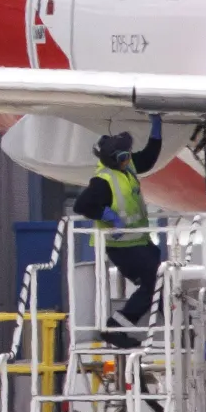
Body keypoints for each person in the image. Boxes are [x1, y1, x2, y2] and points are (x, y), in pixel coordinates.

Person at [74, 115, 163, 347]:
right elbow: (82, 205)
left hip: (139, 242)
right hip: (122, 245)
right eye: (123, 157)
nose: (128, 160)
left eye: (128, 155)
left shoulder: (126, 166)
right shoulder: (103, 180)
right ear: (113, 159)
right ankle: (117, 327)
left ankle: (171, 315)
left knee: (160, 274)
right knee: (154, 283)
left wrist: (157, 130)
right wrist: (108, 216)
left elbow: (149, 159)